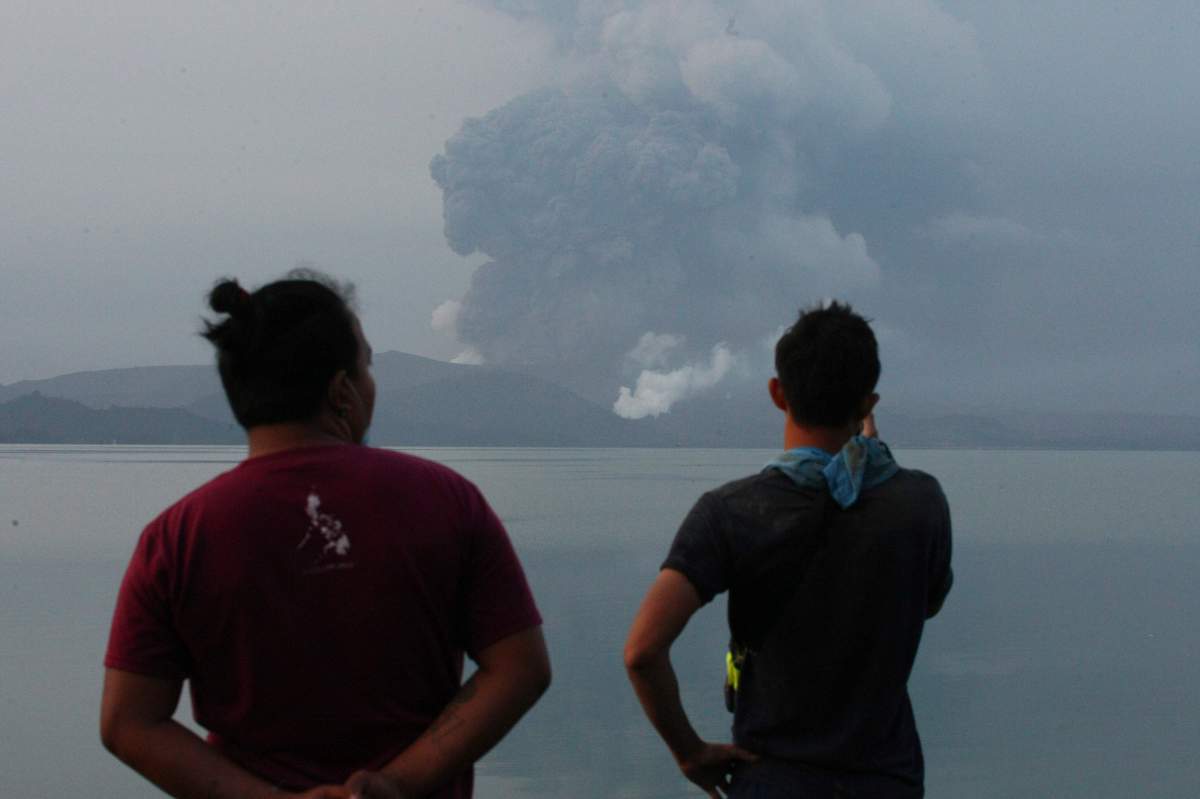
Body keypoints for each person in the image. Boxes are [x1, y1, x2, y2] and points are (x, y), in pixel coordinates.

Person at [101, 271, 550, 799]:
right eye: (367, 366)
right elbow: (520, 669)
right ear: (341, 391)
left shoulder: (177, 536)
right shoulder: (447, 500)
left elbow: (128, 723)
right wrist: (397, 784)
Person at [624, 301, 952, 798]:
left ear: (778, 393)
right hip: (887, 783)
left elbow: (642, 652)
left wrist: (689, 753)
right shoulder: (921, 503)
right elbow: (925, 602)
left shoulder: (730, 512)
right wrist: (873, 456)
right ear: (869, 403)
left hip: (772, 782)